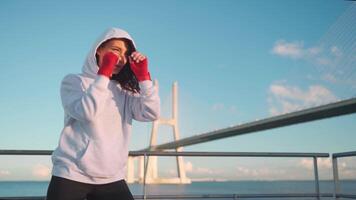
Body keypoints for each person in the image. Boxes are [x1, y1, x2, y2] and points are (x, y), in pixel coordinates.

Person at [46, 27, 160, 200]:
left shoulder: (125, 91)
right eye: (115, 50)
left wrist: (144, 79)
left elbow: (152, 113)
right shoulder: (74, 81)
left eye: (125, 54)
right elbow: (87, 112)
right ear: (98, 49)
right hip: (71, 174)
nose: (120, 58)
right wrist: (104, 73)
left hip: (112, 177)